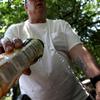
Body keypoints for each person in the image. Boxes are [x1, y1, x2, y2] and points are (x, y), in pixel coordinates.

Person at [0, 0, 100, 100]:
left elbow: (81, 54)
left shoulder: (60, 25)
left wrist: (97, 80)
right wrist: (5, 49)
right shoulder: (16, 30)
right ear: (26, 7)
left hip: (78, 97)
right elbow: (6, 49)